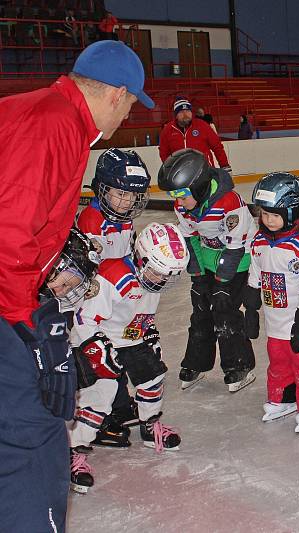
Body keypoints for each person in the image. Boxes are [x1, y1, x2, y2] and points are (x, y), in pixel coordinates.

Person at [0, 39, 152, 531]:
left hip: (12, 295)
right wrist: (29, 328)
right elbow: (8, 234)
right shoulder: (55, 127)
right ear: (116, 93)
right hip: (5, 308)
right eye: (132, 103)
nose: (129, 115)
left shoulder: (39, 111)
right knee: (34, 443)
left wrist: (49, 276)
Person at [68, 223, 189, 493]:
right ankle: (74, 451)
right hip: (98, 338)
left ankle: (149, 425)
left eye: (170, 276)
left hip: (130, 338)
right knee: (102, 392)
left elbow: (140, 312)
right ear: (141, 258)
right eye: (159, 272)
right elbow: (83, 318)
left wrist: (150, 333)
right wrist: (96, 349)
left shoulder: (153, 280)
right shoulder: (112, 276)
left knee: (153, 376)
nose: (162, 280)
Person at [158, 148, 257, 393]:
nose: (178, 202)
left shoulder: (230, 204)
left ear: (199, 185)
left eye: (181, 194)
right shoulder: (183, 208)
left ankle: (239, 364)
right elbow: (191, 240)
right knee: (201, 308)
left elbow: (235, 249)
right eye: (174, 196)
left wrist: (222, 284)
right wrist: (198, 277)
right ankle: (197, 362)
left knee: (225, 310)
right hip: (210, 258)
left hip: (239, 260)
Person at [77, 147, 152, 448]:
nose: (125, 202)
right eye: (117, 194)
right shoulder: (93, 220)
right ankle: (102, 417)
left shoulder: (123, 219)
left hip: (115, 298)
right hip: (93, 302)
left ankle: (119, 407)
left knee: (118, 352)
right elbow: (95, 267)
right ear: (101, 190)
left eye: (131, 196)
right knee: (101, 358)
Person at [246, 172, 299, 433]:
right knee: (278, 360)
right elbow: (255, 271)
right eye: (264, 214)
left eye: (275, 214)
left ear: (293, 212)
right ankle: (285, 398)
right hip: (275, 321)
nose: (268, 221)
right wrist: (251, 305)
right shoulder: (260, 242)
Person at [159, 96, 231, 172]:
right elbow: (164, 152)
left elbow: (217, 146)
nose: (185, 114)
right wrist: (169, 169)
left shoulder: (202, 125)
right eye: (181, 112)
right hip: (181, 174)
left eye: (188, 111)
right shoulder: (168, 130)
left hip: (205, 171)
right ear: (176, 115)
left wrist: (225, 166)